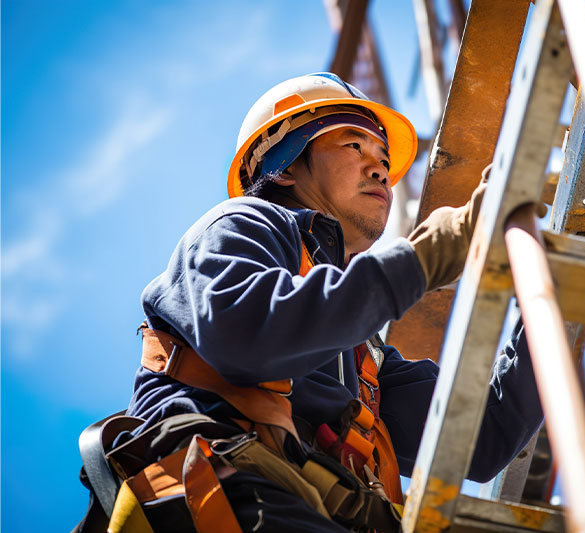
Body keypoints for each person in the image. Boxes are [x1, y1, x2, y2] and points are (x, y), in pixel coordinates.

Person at [77, 72, 543, 532]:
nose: (380, 170)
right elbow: (247, 334)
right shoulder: (243, 224)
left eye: (383, 158)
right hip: (223, 498)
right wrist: (429, 255)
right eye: (354, 145)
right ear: (284, 166)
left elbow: (484, 437)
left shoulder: (359, 357)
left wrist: (548, 301)